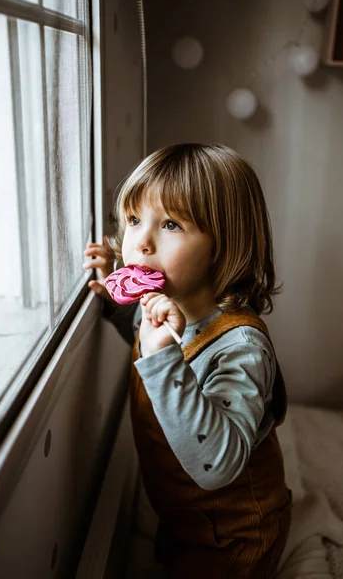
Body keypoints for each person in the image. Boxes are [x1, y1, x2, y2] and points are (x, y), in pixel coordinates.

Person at [83, 143, 292, 578]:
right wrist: (112, 299)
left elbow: (218, 463)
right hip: (183, 520)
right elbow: (141, 329)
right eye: (136, 220)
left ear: (221, 245)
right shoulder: (159, 304)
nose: (139, 241)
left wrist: (161, 355)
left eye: (171, 224)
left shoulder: (241, 346)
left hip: (234, 538)